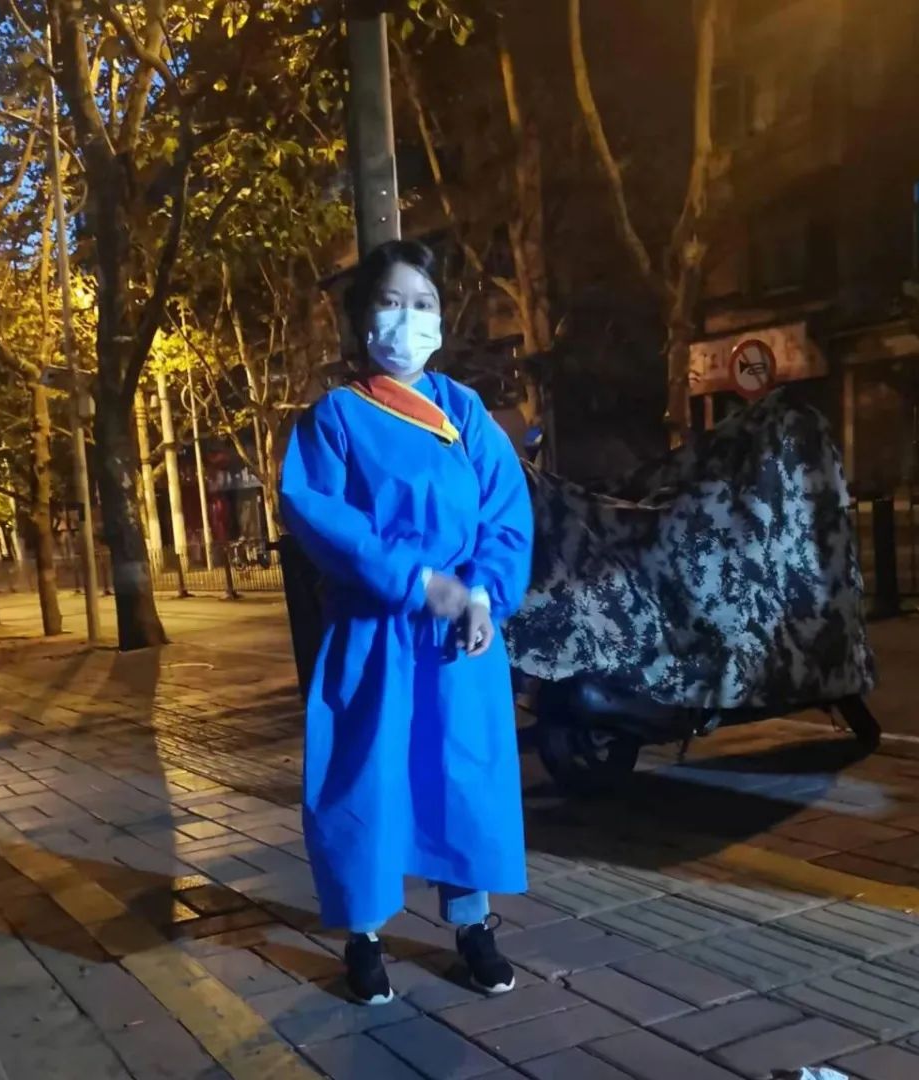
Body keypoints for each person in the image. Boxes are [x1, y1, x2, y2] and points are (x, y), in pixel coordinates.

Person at [280, 240, 534, 1005]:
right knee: (367, 780)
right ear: (363, 318)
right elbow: (319, 514)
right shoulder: (335, 417)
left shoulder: (465, 411)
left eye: (423, 304)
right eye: (392, 302)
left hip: (458, 635)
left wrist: (482, 593)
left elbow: (506, 514)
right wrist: (414, 580)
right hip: (375, 634)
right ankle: (363, 936)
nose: (408, 318)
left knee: (463, 776)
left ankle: (473, 925)